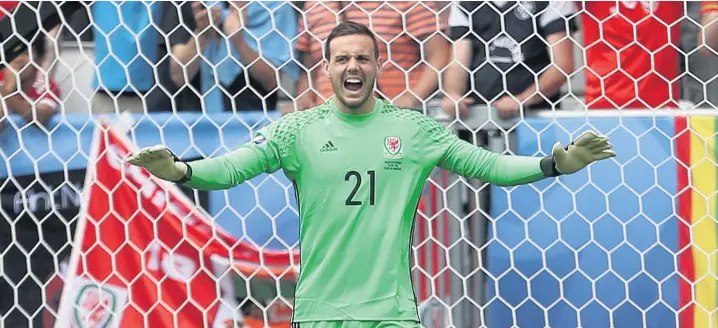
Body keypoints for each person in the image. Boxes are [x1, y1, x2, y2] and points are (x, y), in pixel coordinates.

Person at [126, 21, 615, 328]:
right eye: (342, 58)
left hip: (391, 312)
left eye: (363, 57)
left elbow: (490, 166)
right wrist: (181, 170)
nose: (353, 65)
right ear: (328, 67)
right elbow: (232, 168)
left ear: (379, 65)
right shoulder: (298, 130)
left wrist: (555, 164)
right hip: (319, 310)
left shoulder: (413, 129)